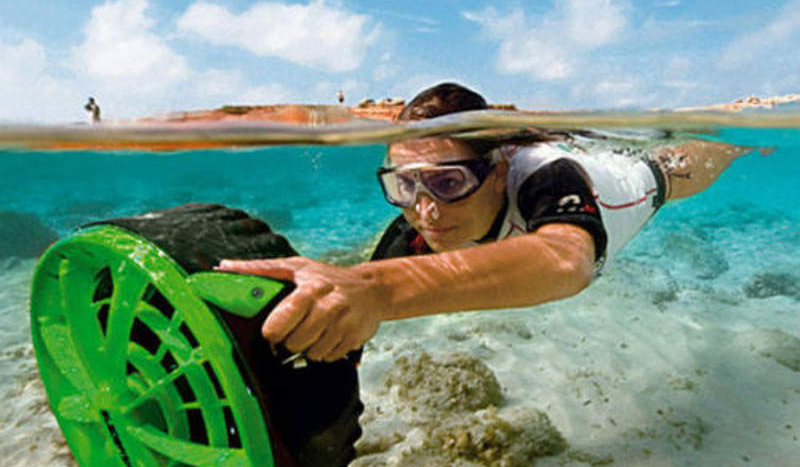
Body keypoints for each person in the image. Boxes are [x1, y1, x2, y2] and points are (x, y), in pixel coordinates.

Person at [218, 83, 749, 363]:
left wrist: (375, 292)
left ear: (496, 172)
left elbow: (565, 262)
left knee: (695, 163)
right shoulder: (413, 230)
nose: (425, 210)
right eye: (405, 186)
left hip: (649, 178)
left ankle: (745, 140)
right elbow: (353, 327)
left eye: (447, 183)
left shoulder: (548, 175)